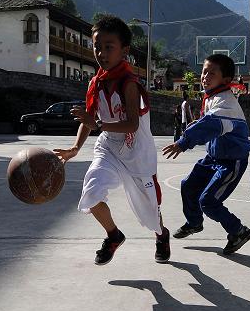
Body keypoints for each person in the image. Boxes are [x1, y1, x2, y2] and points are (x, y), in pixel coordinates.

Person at [54, 15, 170, 265]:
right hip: (109, 147)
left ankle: (161, 235)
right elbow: (89, 118)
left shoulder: (129, 84)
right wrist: (75, 148)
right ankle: (113, 235)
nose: (101, 53)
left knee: (150, 210)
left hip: (136, 152)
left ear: (124, 50)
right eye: (97, 46)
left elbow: (132, 123)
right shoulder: (96, 83)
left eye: (109, 47)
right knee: (92, 192)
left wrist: (95, 123)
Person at [163, 54, 250, 255]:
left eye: (212, 73)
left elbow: (210, 124)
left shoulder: (226, 102)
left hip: (232, 161)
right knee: (188, 186)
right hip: (213, 158)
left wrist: (183, 142)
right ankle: (194, 222)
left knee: (208, 201)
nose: (205, 76)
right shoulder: (212, 97)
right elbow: (207, 125)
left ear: (226, 80)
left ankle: (238, 231)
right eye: (204, 71)